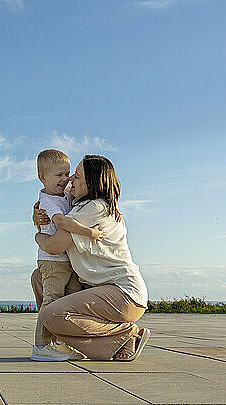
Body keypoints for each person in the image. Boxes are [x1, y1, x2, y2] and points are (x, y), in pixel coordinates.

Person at [32, 155, 150, 361]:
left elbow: (53, 246)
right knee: (39, 277)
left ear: (93, 183)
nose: (70, 180)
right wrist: (38, 214)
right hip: (98, 290)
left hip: (123, 294)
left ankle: (125, 334)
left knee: (51, 315)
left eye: (76, 176)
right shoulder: (80, 205)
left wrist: (37, 235)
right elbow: (49, 201)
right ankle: (96, 343)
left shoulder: (93, 208)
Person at [31, 149, 105, 362]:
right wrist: (89, 232)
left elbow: (87, 196)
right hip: (52, 261)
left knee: (72, 299)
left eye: (67, 174)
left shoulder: (63, 195)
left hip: (66, 261)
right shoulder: (48, 201)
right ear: (42, 178)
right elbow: (62, 222)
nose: (65, 180)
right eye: (59, 176)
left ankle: (62, 342)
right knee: (52, 300)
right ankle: (41, 346)